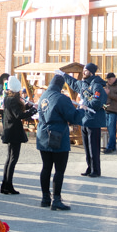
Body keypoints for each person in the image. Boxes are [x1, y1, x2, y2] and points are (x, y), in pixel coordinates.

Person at [36, 73, 86, 210]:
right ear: (61, 86)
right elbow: (74, 117)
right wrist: (82, 110)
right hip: (58, 136)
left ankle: (45, 198)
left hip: (43, 135)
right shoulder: (62, 98)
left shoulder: (43, 97)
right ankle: (56, 200)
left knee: (46, 167)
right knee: (59, 169)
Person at [62, 63, 107, 177]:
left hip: (93, 120)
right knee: (87, 147)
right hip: (84, 120)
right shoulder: (83, 84)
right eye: (84, 70)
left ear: (91, 72)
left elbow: (97, 102)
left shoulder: (96, 85)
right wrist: (63, 75)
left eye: (86, 71)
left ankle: (96, 170)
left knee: (94, 147)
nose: (84, 72)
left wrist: (86, 104)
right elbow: (73, 82)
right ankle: (89, 167)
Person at [1, 75, 36, 194]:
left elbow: (15, 111)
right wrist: (32, 111)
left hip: (10, 130)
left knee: (9, 158)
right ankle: (8, 185)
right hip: (14, 131)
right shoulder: (12, 100)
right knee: (13, 159)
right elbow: (18, 115)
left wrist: (27, 106)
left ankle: (5, 184)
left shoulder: (8, 98)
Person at [102, 73, 117, 154]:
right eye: (107, 79)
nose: (108, 81)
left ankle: (110, 147)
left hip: (114, 110)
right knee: (110, 129)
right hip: (106, 109)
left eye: (109, 79)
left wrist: (109, 93)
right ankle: (113, 146)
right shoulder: (107, 86)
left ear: (114, 78)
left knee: (111, 128)